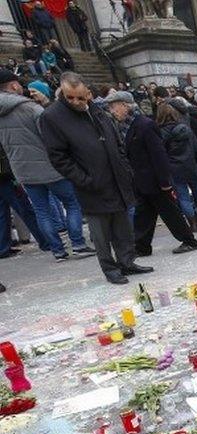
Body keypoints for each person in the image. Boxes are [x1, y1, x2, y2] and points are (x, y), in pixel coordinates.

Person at [39, 72, 152, 285]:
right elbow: (58, 157)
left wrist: (125, 167)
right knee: (101, 232)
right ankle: (110, 269)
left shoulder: (96, 110)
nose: (76, 102)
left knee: (123, 226)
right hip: (91, 183)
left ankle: (127, 262)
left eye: (81, 97)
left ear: (88, 93)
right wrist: (84, 179)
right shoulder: (52, 117)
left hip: (116, 177)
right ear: (62, 92)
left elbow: (115, 139)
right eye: (70, 97)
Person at [0, 69, 95, 262]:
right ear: (13, 86)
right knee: (72, 203)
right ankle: (78, 244)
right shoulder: (30, 108)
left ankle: (57, 250)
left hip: (22, 169)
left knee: (41, 210)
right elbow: (53, 136)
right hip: (50, 166)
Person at [104, 91, 197, 256]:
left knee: (170, 213)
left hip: (155, 180)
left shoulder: (145, 125)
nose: (112, 111)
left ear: (125, 106)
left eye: (113, 107)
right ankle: (142, 247)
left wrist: (165, 182)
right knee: (143, 215)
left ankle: (189, 241)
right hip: (140, 181)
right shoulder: (125, 126)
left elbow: (159, 155)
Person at [157, 102, 197, 231]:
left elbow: (161, 153)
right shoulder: (185, 128)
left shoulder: (160, 133)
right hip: (192, 165)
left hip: (174, 168)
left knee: (183, 196)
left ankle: (192, 224)